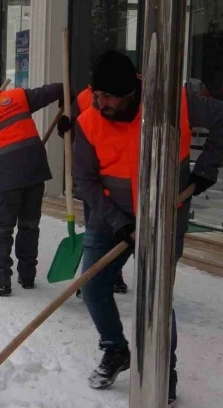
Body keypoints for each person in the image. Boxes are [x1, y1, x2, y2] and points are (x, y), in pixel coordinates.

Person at [72, 50, 223, 406]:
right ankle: (115, 348)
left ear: (131, 92)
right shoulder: (90, 117)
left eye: (109, 97)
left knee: (156, 297)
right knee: (92, 289)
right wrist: (118, 222)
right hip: (109, 216)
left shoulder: (175, 102)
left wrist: (207, 167)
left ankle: (162, 371)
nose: (101, 103)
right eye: (97, 95)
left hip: (164, 215)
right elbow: (85, 179)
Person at [0, 74, 63, 296]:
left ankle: (0, 279)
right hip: (35, 170)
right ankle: (27, 276)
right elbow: (48, 92)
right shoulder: (17, 96)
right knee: (29, 225)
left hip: (7, 174)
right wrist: (66, 92)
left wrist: (1, 176)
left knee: (2, 230)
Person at [59, 86, 128, 297]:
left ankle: (112, 277)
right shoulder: (83, 98)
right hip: (94, 173)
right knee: (97, 228)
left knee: (127, 231)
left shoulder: (132, 93)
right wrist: (64, 125)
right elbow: (70, 129)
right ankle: (94, 279)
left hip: (124, 173)